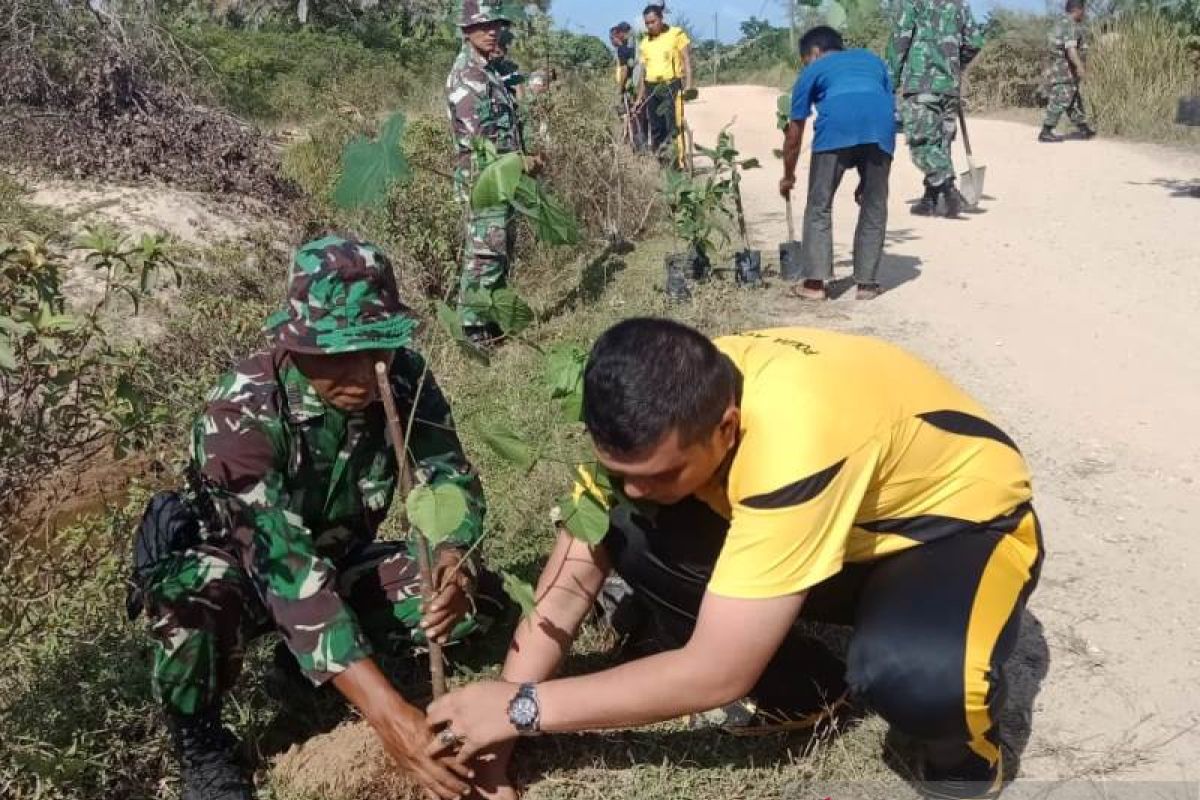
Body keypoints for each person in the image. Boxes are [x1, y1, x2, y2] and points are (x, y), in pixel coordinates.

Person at [427, 318, 1044, 800]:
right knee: (623, 525)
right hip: (834, 526)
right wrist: (498, 726)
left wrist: (524, 710)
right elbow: (569, 580)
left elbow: (717, 673)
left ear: (727, 427)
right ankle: (808, 691)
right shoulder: (662, 403)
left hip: (947, 530)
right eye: (622, 473)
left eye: (660, 474)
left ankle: (963, 759)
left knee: (920, 677)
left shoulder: (795, 438)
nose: (635, 489)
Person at [128, 237, 506, 800]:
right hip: (245, 575)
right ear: (294, 344)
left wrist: (452, 559)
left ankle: (302, 666)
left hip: (338, 560)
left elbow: (449, 477)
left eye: (376, 347)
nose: (364, 370)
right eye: (339, 352)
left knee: (478, 603)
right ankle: (201, 742)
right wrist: (390, 716)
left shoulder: (402, 378)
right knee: (191, 599)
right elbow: (283, 568)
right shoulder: (240, 413)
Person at [780, 26, 896, 303]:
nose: (806, 64)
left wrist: (788, 175)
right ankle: (866, 285)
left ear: (815, 53)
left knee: (819, 206)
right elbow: (880, 106)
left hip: (835, 133)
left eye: (805, 59)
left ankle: (814, 284)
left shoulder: (813, 70)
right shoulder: (873, 60)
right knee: (874, 206)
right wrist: (865, 182)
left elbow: (795, 132)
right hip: (881, 132)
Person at [445, 0, 531, 347]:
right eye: (483, 26)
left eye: (495, 24)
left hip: (502, 176)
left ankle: (491, 320)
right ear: (467, 31)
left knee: (500, 251)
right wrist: (521, 162)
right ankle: (472, 327)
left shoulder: (490, 70)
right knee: (483, 254)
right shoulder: (466, 76)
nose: (492, 30)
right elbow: (481, 137)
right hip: (483, 179)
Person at [886, 0, 985, 218]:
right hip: (949, 86)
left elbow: (899, 43)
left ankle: (948, 190)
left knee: (921, 142)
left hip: (922, 84)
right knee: (941, 141)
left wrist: (889, 84)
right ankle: (931, 199)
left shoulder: (914, 3)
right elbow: (975, 41)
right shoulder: (959, 5)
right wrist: (955, 64)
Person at [635, 4, 693, 166]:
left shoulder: (676, 34)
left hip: (671, 85)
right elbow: (643, 73)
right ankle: (662, 162)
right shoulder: (645, 43)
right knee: (656, 127)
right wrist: (640, 97)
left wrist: (688, 87)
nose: (650, 26)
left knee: (673, 126)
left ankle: (678, 163)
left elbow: (687, 61)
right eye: (647, 23)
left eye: (653, 21)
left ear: (661, 19)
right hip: (652, 89)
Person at [1040, 0, 1096, 143]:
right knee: (1061, 98)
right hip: (1064, 71)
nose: (1084, 13)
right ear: (1077, 9)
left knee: (1073, 100)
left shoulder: (1061, 23)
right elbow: (1071, 50)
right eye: (1083, 9)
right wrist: (1080, 67)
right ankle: (1046, 131)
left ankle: (1084, 128)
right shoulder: (1070, 25)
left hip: (1060, 69)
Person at [611, 21, 646, 149]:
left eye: (615, 36)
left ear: (620, 34)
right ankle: (637, 142)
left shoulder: (622, 49)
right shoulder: (633, 47)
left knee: (630, 116)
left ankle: (632, 143)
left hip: (631, 87)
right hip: (638, 85)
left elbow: (625, 70)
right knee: (637, 116)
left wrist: (620, 89)